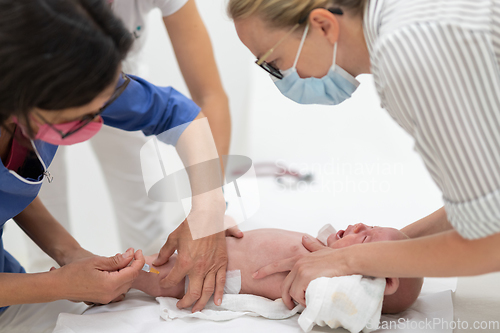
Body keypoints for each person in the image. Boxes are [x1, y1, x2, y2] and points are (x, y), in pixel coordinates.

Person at [226, 0, 500, 310]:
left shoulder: (409, 50)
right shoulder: (407, 22)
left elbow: (491, 241)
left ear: (323, 25)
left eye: (273, 62)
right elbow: (489, 202)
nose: (278, 78)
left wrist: (350, 259)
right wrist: (381, 247)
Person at [0, 0, 230, 329]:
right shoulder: (45, 85)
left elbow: (180, 115)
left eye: (102, 106)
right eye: (80, 117)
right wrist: (58, 285)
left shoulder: (74, 79)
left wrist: (209, 207)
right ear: (22, 96)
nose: (98, 121)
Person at [33, 0, 234, 273]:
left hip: (111, 83)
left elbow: (196, 104)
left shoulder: (116, 92)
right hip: (32, 85)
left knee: (145, 229)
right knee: (37, 192)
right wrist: (63, 264)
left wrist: (210, 202)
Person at [133, 224, 423, 314]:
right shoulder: (323, 251)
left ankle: (124, 279)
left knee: (144, 272)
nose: (358, 226)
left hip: (200, 277)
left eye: (365, 237)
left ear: (383, 283)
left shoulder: (331, 284)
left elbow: (337, 306)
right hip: (210, 248)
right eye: (368, 225)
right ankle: (123, 271)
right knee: (143, 259)